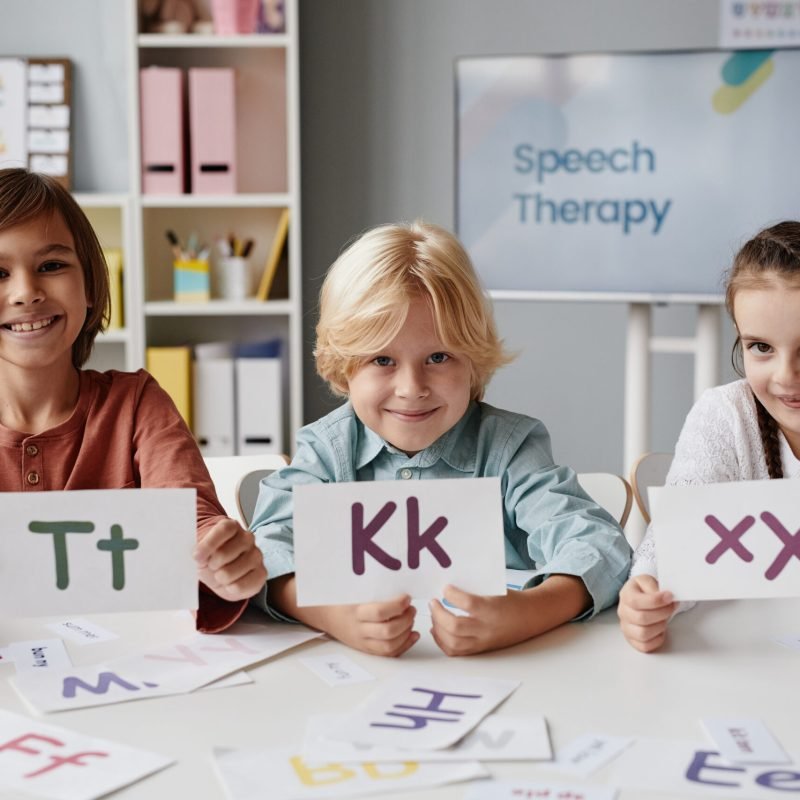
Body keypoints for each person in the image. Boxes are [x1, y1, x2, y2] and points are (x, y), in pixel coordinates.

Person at [250, 220, 631, 657]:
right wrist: (331, 614)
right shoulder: (326, 451)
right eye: (382, 359)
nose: (412, 388)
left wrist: (526, 612)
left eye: (438, 356)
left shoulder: (509, 449)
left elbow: (597, 544)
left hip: (500, 673)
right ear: (343, 365)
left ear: (473, 359)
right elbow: (265, 546)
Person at [0, 168, 265, 632]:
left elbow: (189, 512)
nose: (26, 292)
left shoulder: (136, 401)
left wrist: (217, 556)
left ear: (89, 282)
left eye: (51, 265)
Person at [619, 220, 800, 652]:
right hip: (748, 657)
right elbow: (671, 545)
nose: (785, 376)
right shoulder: (726, 416)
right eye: (760, 347)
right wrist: (645, 592)